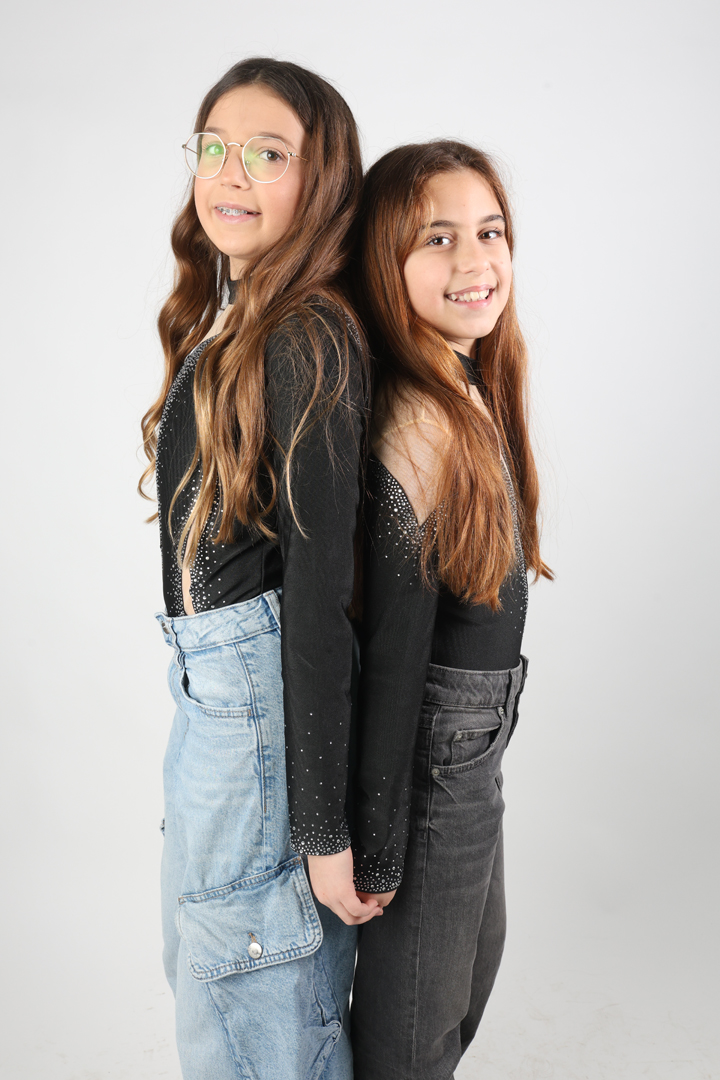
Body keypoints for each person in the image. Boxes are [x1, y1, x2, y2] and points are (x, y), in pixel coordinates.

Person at [139, 57, 380, 1080]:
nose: (229, 172)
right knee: (216, 998)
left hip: (256, 722)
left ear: (321, 182)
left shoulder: (307, 331)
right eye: (214, 146)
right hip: (215, 704)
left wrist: (324, 830)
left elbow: (322, 600)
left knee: (255, 1014)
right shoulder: (242, 320)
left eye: (268, 153)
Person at [349, 140, 553, 1079]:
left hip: (474, 742)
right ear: (383, 259)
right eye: (437, 238)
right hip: (434, 751)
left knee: (467, 979)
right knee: (413, 1031)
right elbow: (393, 652)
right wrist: (378, 844)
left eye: (490, 231)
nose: (475, 260)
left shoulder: (464, 380)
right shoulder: (419, 415)